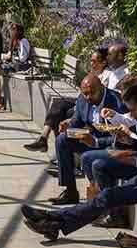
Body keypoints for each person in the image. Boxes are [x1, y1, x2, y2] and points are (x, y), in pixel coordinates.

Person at [20, 75, 137, 241]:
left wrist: (134, 160)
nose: (132, 116)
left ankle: (52, 219)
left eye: (132, 110)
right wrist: (130, 143)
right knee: (107, 193)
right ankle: (53, 222)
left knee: (108, 196)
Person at [46, 72, 126, 205]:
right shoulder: (83, 99)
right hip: (90, 137)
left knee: (88, 156)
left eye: (91, 93)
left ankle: (99, 196)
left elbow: (122, 137)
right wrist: (68, 127)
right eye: (85, 94)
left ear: (101, 87)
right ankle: (70, 191)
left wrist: (95, 142)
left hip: (110, 143)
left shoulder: (116, 102)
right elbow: (76, 122)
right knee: (62, 140)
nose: (88, 97)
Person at [23, 46, 111, 153]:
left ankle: (59, 149)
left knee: (65, 113)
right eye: (91, 61)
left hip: (89, 105)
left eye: (94, 61)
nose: (91, 64)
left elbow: (97, 97)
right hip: (80, 100)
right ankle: (44, 137)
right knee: (58, 104)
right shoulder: (93, 73)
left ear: (103, 63)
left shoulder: (106, 76)